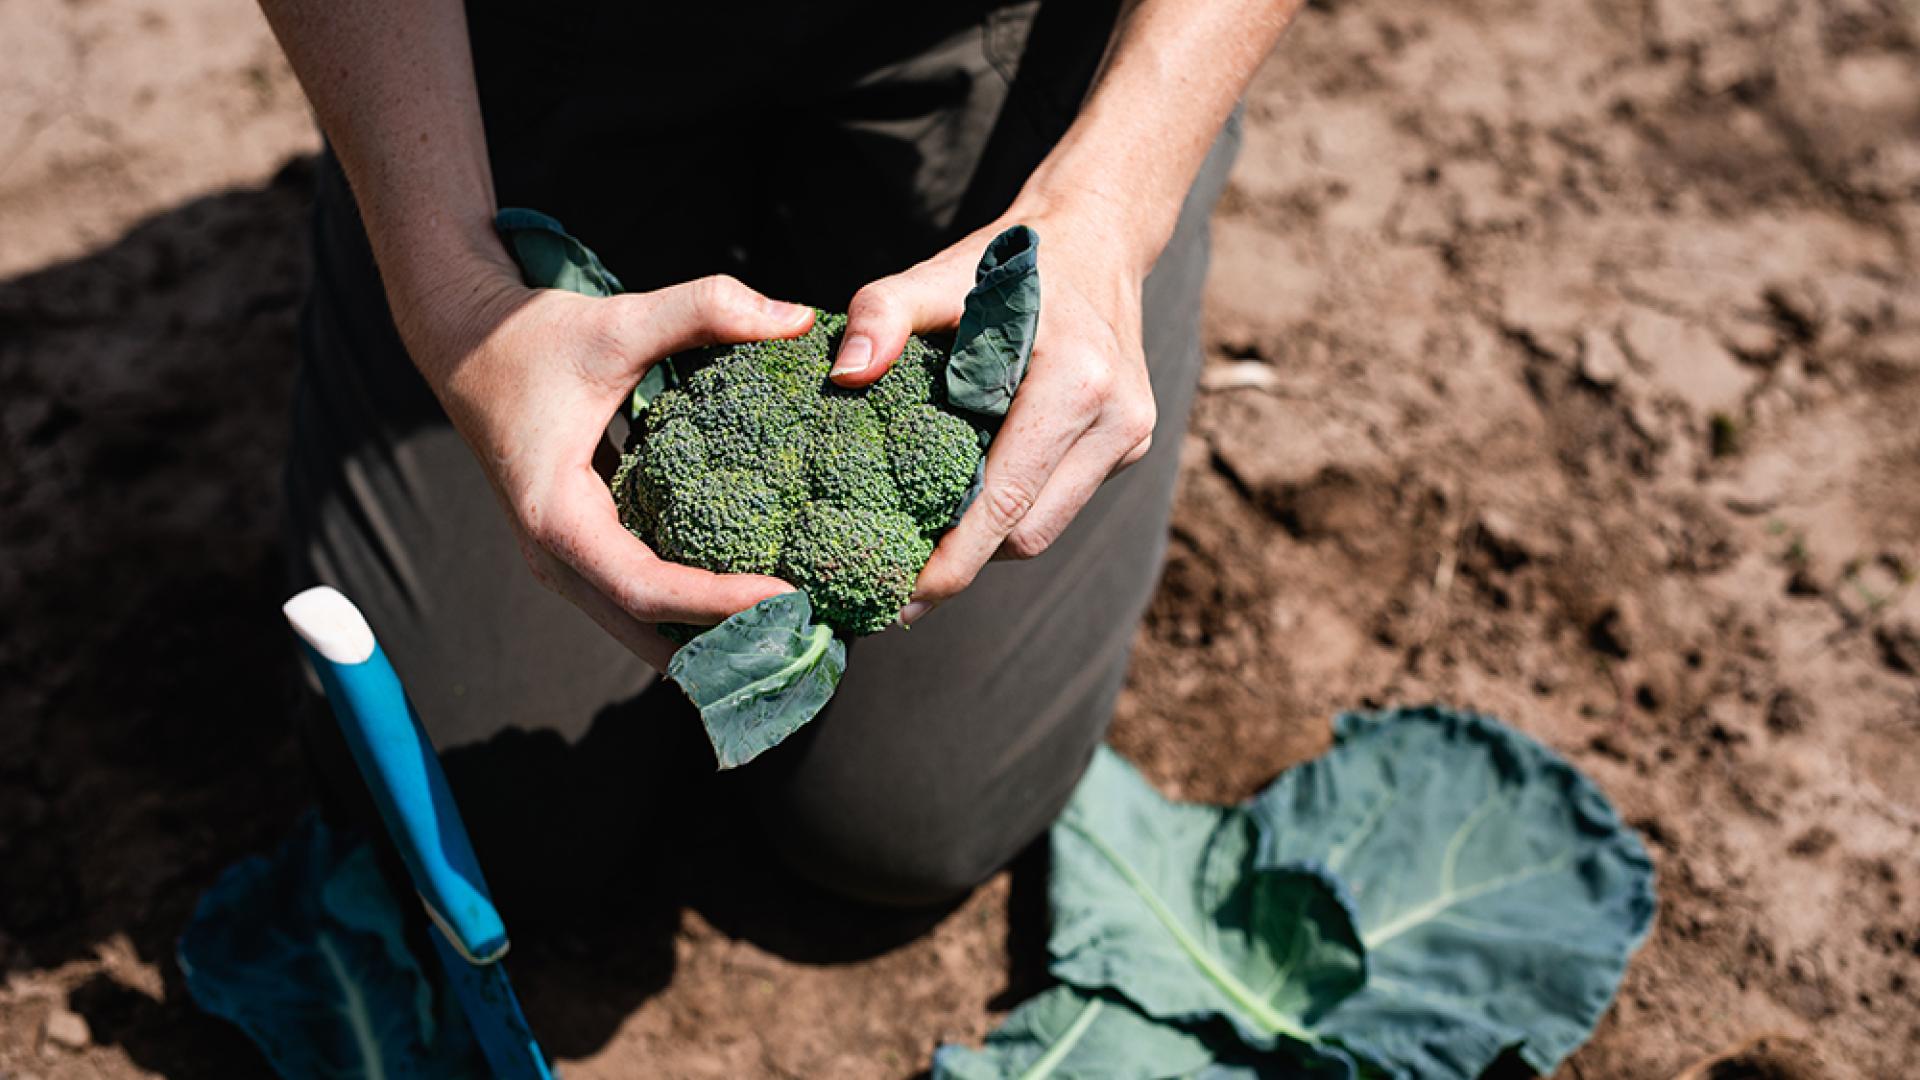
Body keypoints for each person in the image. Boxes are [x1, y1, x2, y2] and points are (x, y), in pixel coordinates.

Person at [261, 0, 1301, 913]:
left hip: (1000, 35)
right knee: (478, 818)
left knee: (905, 820)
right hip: (545, 25)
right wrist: (454, 296)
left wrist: (1112, 207)